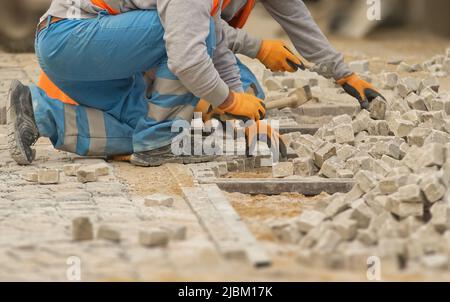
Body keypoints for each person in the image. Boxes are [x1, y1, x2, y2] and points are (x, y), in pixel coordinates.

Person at [8, 0, 383, 168]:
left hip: (90, 53)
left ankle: (39, 115)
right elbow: (192, 48)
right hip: (73, 40)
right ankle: (159, 143)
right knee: (192, 42)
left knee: (135, 129)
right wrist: (234, 102)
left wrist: (342, 73)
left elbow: (295, 19)